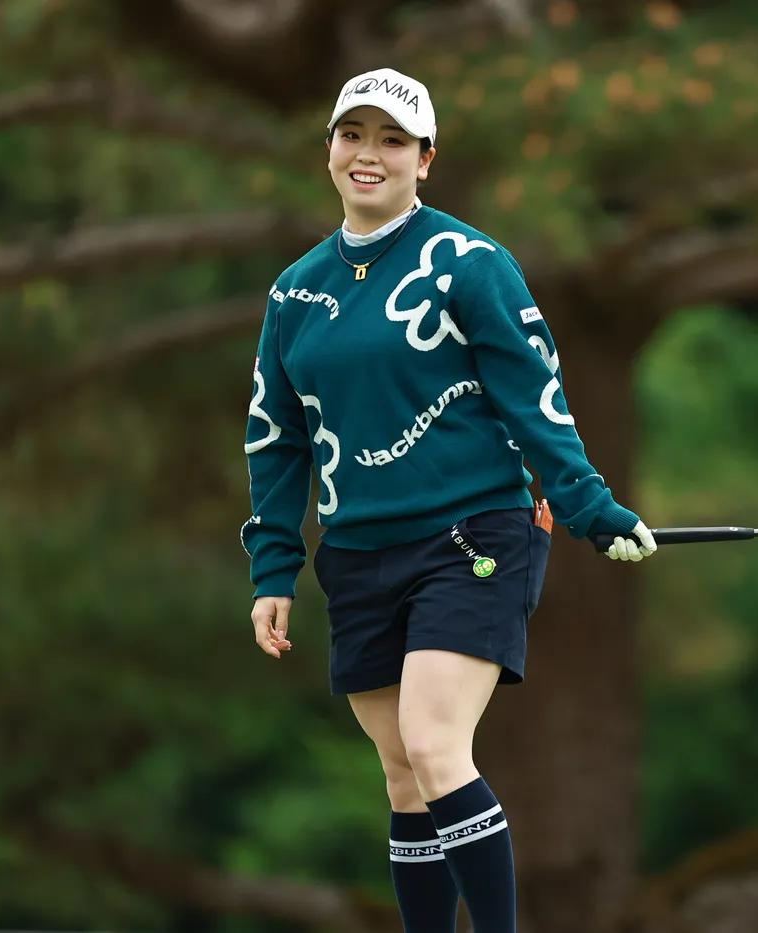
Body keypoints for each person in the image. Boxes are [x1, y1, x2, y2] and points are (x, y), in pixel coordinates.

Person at [238, 66, 657, 933]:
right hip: (357, 553)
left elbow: (533, 398)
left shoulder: (470, 264)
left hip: (471, 537)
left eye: (393, 140)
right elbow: (276, 437)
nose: (369, 154)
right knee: (403, 774)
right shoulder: (294, 292)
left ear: (425, 159)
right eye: (353, 135)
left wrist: (590, 507)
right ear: (329, 147)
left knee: (434, 746)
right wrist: (273, 566)